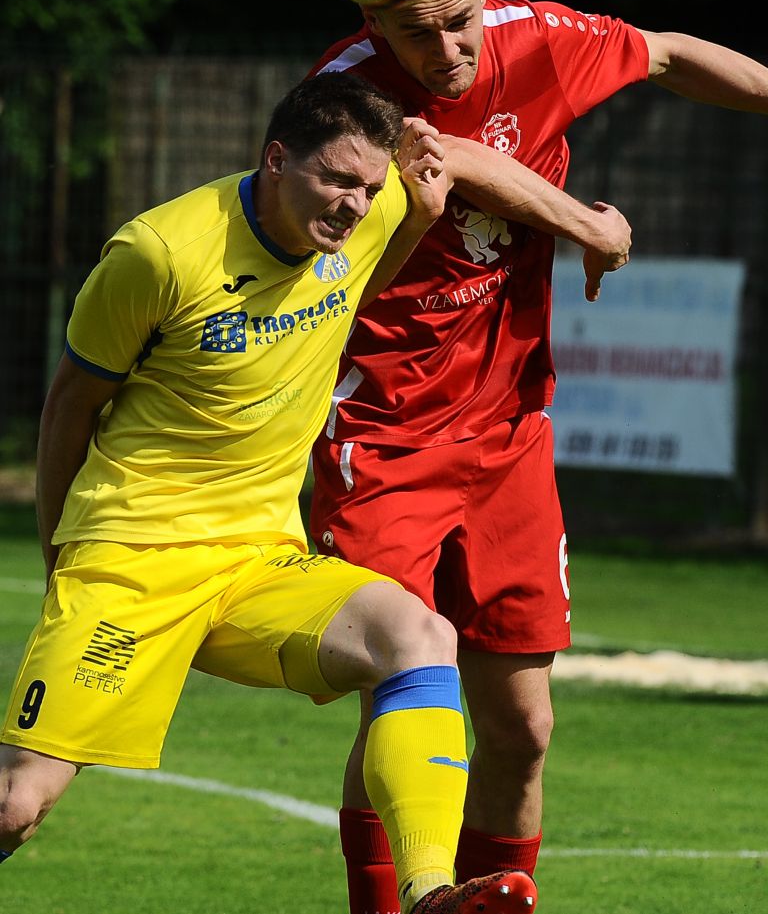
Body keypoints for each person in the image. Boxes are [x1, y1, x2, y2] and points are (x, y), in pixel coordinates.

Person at [307, 0, 768, 914]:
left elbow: (668, 53)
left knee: (523, 728)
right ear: (372, 22)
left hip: (510, 435)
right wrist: (585, 220)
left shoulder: (538, 37)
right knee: (402, 698)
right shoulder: (348, 94)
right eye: (414, 33)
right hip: (383, 439)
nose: (445, 51)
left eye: (458, 21)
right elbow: (452, 160)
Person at [0, 71, 541, 914]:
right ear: (277, 158)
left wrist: (467, 213)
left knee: (418, 634)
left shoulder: (366, 217)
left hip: (260, 558)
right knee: (17, 803)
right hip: (131, 559)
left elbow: (428, 197)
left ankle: (429, 893)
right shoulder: (159, 252)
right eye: (338, 180)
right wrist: (62, 561)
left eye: (372, 188)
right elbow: (69, 408)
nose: (356, 206)